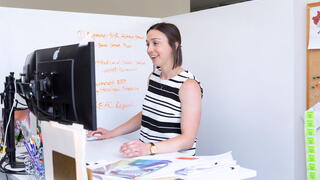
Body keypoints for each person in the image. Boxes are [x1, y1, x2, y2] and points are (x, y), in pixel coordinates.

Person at [88, 22, 202, 157]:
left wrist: (149, 148)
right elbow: (148, 113)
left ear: (174, 45)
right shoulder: (153, 77)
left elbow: (187, 140)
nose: (149, 49)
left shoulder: (188, 85)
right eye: (148, 44)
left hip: (173, 161)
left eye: (155, 43)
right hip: (148, 158)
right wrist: (112, 132)